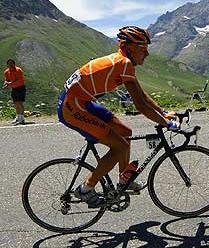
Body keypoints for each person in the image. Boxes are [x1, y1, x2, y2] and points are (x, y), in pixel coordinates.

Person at [57, 26, 179, 208]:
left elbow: (141, 95)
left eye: (146, 48)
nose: (146, 53)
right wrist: (166, 123)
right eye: (141, 48)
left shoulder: (122, 62)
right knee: (120, 146)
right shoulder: (123, 63)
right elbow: (140, 105)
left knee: (125, 132)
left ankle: (124, 182)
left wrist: (162, 113)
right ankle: (86, 189)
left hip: (82, 102)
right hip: (72, 107)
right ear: (127, 46)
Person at [3, 59, 26, 125]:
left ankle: (22, 118)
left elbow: (20, 81)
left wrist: (9, 84)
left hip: (20, 87)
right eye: (9, 64)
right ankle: (18, 117)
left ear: (14, 64)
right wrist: (6, 83)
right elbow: (7, 79)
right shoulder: (6, 72)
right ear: (7, 65)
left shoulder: (18, 70)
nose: (11, 65)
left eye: (12, 63)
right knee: (16, 103)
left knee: (20, 102)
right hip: (14, 88)